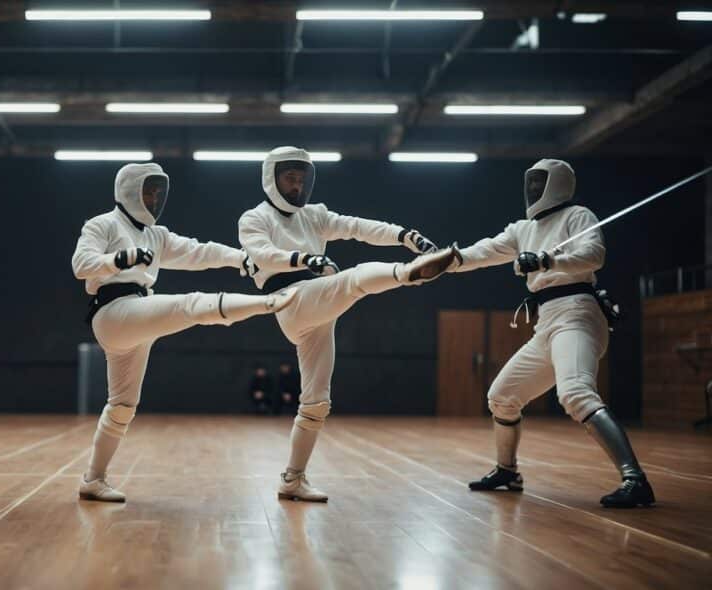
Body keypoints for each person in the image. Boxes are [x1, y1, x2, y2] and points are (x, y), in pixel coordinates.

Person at [238, 146, 460, 502]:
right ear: (271, 179)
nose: (296, 186)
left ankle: (293, 479)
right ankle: (406, 274)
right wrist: (303, 258)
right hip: (291, 301)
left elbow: (358, 227)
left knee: (316, 402)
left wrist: (404, 235)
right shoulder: (254, 218)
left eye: (301, 179)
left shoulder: (315, 215)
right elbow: (262, 253)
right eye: (288, 178)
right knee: (353, 280)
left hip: (319, 309)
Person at [72, 162, 298, 502]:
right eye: (147, 191)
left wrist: (240, 259)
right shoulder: (102, 224)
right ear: (128, 191)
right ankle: (266, 303)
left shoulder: (156, 235)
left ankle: (93, 478)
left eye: (157, 192)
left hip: (139, 316)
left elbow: (198, 251)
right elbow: (81, 264)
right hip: (112, 313)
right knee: (189, 305)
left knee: (121, 406)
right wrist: (120, 259)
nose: (153, 199)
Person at [456, 159, 654, 508]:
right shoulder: (523, 229)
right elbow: (483, 252)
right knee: (502, 397)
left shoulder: (578, 216)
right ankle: (507, 471)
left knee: (575, 392)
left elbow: (593, 255)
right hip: (547, 322)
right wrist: (446, 259)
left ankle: (635, 479)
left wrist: (546, 261)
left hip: (578, 313)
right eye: (530, 182)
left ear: (558, 183)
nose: (533, 189)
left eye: (539, 182)